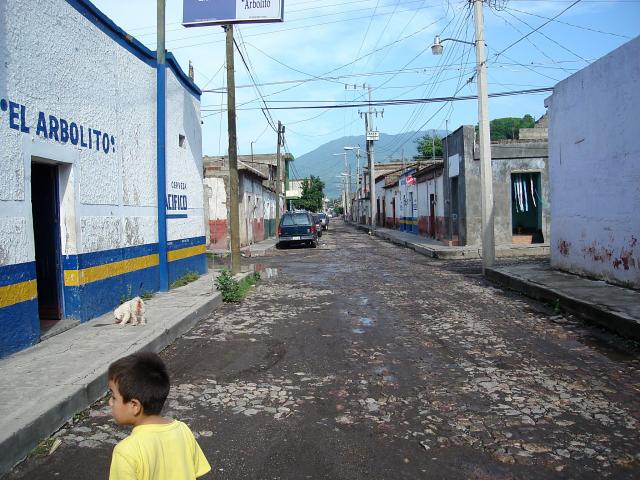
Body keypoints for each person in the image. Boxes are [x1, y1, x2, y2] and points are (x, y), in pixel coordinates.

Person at [107, 352, 211, 480]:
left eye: (113, 397)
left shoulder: (126, 452)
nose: (110, 402)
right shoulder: (182, 430)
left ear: (134, 405)